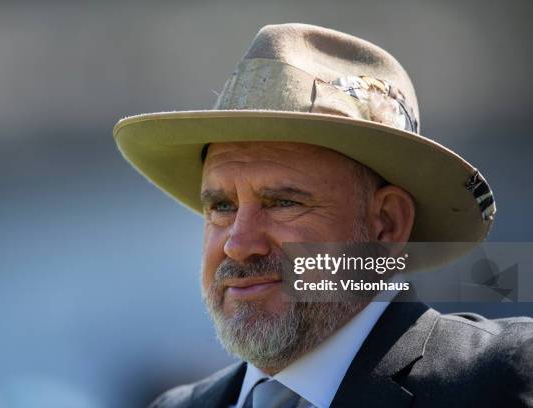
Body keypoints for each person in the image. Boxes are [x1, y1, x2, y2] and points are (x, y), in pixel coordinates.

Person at [113, 23, 533, 407]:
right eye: (222, 206)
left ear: (386, 224)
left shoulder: (502, 380)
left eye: (282, 203)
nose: (239, 245)